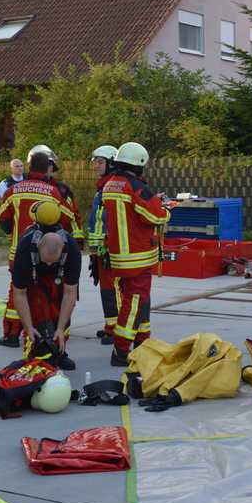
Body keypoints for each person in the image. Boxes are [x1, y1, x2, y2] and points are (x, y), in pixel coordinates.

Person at [0, 148, 79, 349]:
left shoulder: (13, 190)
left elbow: (3, 219)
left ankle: (11, 333)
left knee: (17, 290)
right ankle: (50, 337)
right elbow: (68, 217)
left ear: (29, 167)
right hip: (48, 252)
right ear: (47, 169)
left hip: (18, 250)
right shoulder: (53, 192)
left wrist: (12, 237)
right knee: (46, 296)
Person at [102, 142, 170, 366]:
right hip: (137, 256)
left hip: (118, 256)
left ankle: (143, 343)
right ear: (139, 164)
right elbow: (155, 216)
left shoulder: (111, 184)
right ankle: (121, 352)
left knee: (139, 301)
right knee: (134, 303)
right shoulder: (136, 186)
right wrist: (166, 208)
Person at [10, 206, 81, 371]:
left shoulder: (72, 250)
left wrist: (61, 329)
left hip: (59, 277)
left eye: (53, 261)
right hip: (35, 278)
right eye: (46, 261)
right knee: (39, 318)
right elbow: (19, 293)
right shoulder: (25, 248)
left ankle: (59, 352)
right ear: (38, 247)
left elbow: (70, 293)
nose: (49, 264)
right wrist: (27, 327)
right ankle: (40, 354)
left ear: (62, 249)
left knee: (61, 317)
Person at [87, 145, 120, 346]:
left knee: (112, 289)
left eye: (100, 162)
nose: (96, 166)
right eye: (95, 162)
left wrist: (104, 245)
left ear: (111, 163)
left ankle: (116, 329)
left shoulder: (112, 187)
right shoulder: (103, 186)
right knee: (107, 289)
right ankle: (110, 326)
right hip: (101, 248)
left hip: (109, 248)